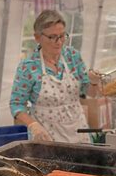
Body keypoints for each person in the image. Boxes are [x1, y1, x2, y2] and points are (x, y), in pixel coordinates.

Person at [9, 9, 100, 143]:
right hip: (47, 136)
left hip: (78, 131)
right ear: (37, 37)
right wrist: (33, 125)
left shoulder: (73, 57)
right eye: (52, 37)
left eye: (62, 36)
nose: (59, 42)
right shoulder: (28, 67)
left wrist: (93, 82)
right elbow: (16, 105)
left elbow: (87, 93)